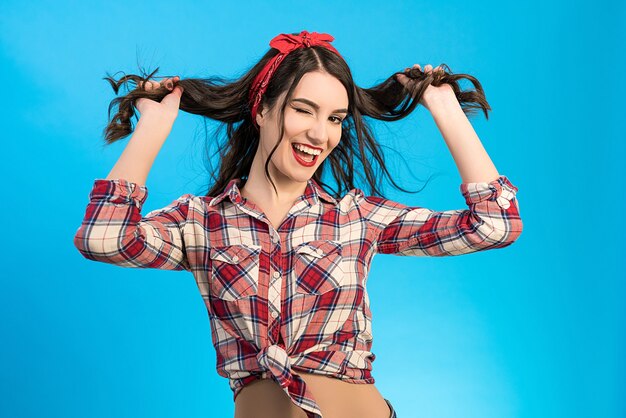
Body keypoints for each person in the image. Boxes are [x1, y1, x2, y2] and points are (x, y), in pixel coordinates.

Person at [74, 30, 523, 418]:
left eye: (335, 119)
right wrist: (153, 126)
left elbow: (495, 224)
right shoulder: (201, 223)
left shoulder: (355, 217)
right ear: (263, 109)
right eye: (303, 110)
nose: (319, 134)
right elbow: (103, 238)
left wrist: (442, 107)